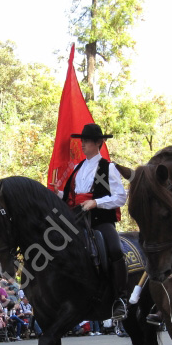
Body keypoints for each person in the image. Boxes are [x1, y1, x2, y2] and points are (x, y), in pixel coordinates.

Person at [59, 123, 128, 319]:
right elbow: (71, 195)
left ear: (99, 143)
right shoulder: (78, 167)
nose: (83, 144)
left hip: (99, 219)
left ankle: (120, 298)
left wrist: (96, 202)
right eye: (82, 141)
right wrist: (58, 193)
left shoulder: (109, 167)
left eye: (87, 141)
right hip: (75, 218)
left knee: (114, 249)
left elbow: (120, 197)